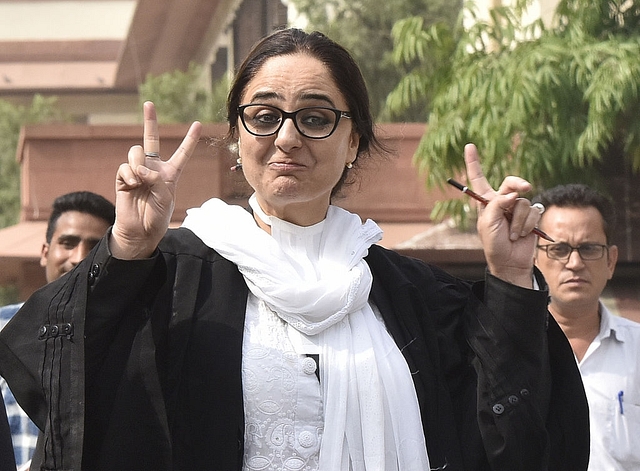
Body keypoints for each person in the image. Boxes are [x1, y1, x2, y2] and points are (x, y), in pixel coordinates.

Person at [0, 28, 589, 471]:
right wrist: (125, 251)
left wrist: (511, 280)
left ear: (353, 138)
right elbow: (48, 371)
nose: (286, 138)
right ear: (236, 136)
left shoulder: (413, 296)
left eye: (314, 117)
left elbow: (517, 438)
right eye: (263, 116)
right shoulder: (175, 273)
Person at [0, 191, 115, 469]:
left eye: (94, 246)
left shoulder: (129, 339)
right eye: (68, 243)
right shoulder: (3, 329)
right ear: (45, 252)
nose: (79, 257)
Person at [533, 183, 640, 470]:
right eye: (559, 249)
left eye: (589, 248)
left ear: (611, 261)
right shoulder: (512, 352)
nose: (575, 263)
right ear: (535, 259)